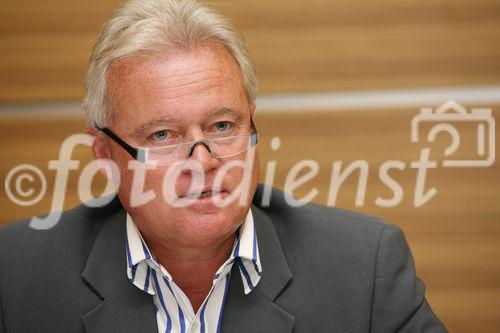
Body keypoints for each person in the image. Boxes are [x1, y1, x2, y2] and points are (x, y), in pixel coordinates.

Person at [0, 0, 448, 332]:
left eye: (221, 125)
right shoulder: (14, 274)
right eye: (162, 135)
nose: (202, 162)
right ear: (104, 155)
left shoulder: (363, 265)